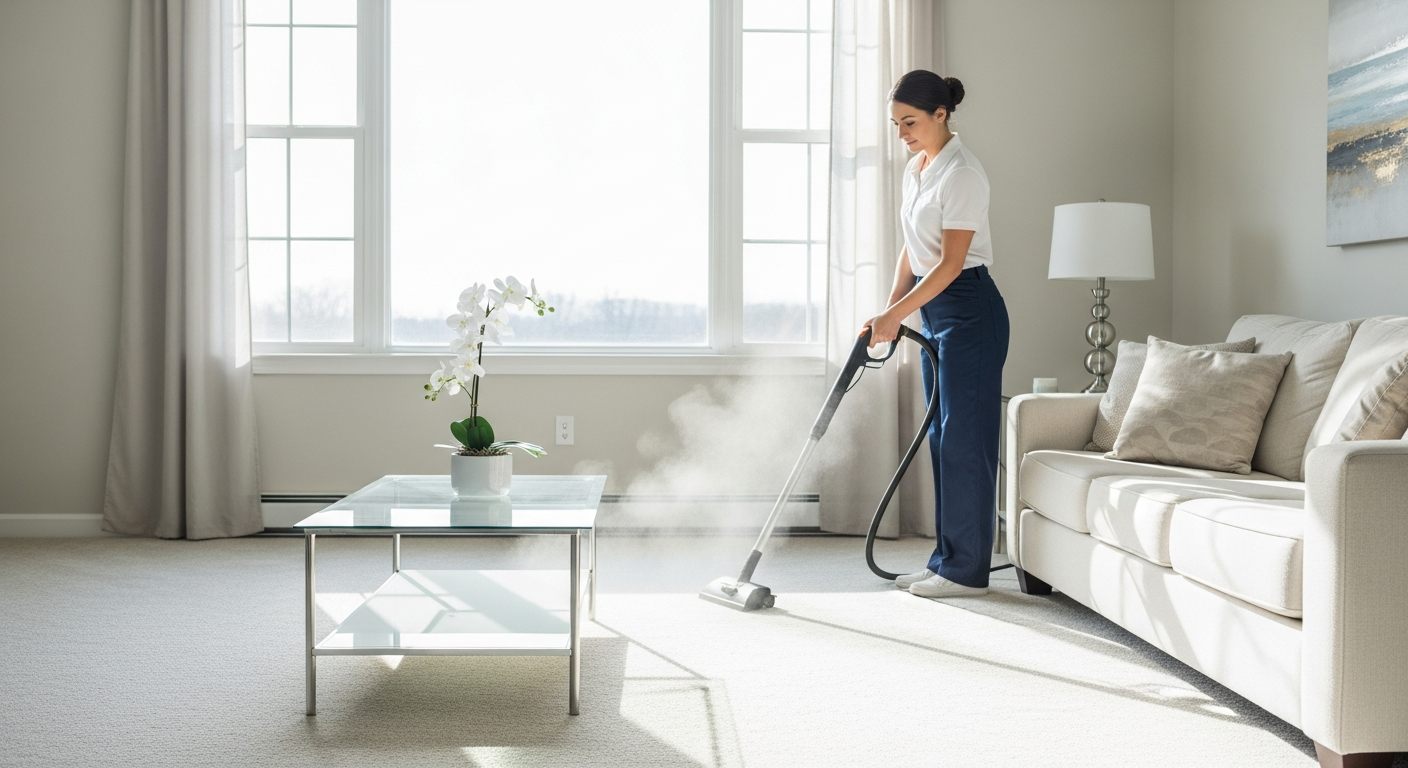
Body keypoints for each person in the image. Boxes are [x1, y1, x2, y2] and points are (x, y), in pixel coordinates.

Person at [862, 70, 1010, 599]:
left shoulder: (963, 174)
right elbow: (912, 248)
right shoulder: (918, 168)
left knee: (966, 442)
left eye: (910, 122)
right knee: (944, 439)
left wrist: (900, 312)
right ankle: (947, 560)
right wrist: (890, 311)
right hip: (934, 310)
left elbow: (949, 265)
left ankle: (967, 572)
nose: (902, 132)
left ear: (941, 115)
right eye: (896, 123)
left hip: (969, 308)